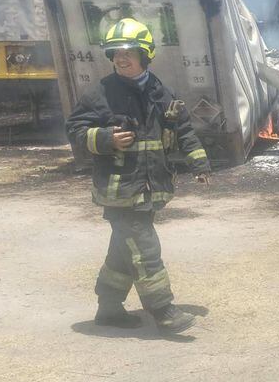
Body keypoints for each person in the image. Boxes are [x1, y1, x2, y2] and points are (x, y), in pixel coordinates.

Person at [66, 17, 211, 333]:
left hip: (150, 187)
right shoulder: (100, 94)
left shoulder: (161, 91)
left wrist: (199, 163)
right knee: (145, 249)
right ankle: (163, 311)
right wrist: (104, 138)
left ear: (146, 55)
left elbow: (182, 128)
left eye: (128, 51)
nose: (120, 58)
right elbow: (75, 129)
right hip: (120, 190)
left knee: (123, 250)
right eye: (115, 52)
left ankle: (108, 308)